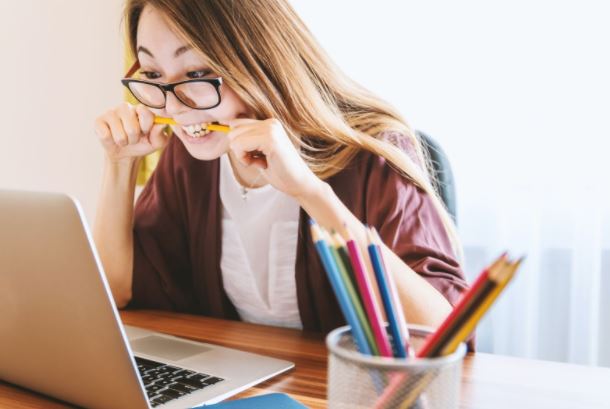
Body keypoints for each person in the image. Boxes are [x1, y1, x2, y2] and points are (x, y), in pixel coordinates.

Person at [93, 0, 468, 333]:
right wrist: (120, 165)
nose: (173, 108)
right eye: (154, 75)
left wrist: (310, 192)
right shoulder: (191, 158)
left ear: (259, 60)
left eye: (196, 74)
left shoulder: (374, 152)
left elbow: (441, 335)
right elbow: (117, 290)